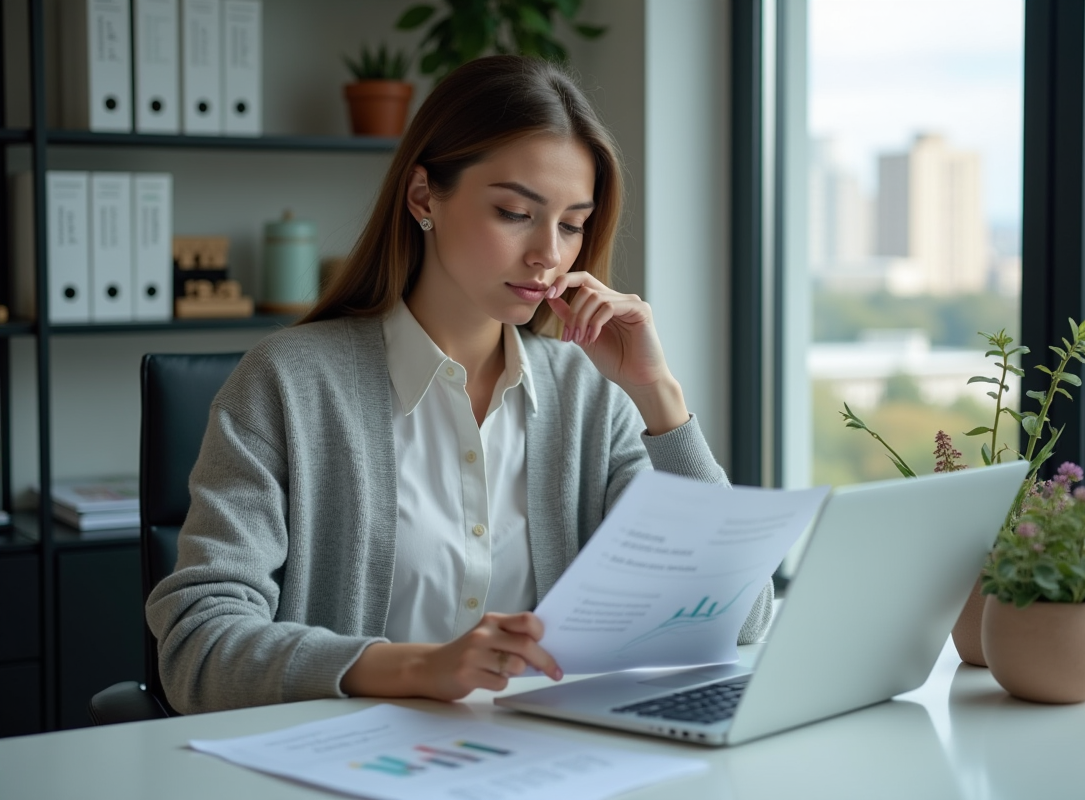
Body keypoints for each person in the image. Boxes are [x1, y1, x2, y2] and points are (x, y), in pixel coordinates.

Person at [146, 55, 773, 715]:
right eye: (513, 212)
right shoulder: (286, 385)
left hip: (541, 762)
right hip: (346, 766)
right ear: (424, 198)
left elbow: (741, 618)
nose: (549, 255)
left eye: (571, 224)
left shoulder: (589, 396)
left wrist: (659, 398)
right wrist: (421, 667)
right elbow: (199, 649)